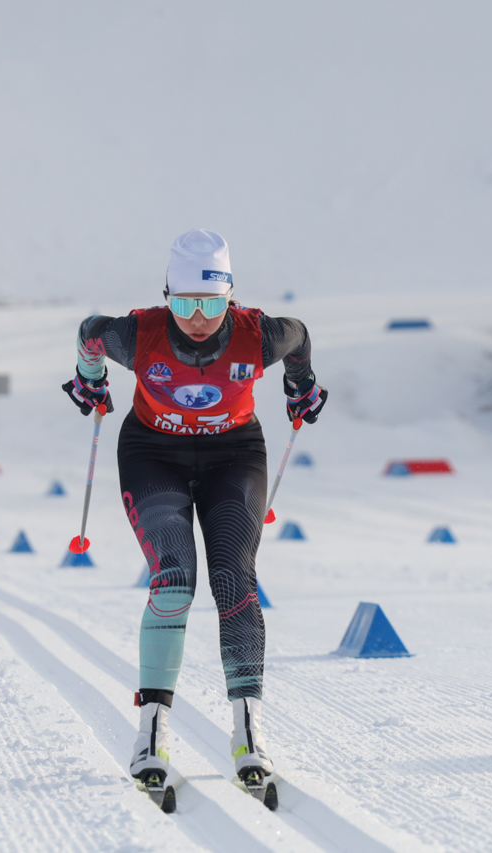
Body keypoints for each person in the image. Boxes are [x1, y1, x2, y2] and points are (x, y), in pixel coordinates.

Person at [62, 229, 327, 794]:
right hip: (152, 453)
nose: (198, 318)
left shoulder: (259, 337)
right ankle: (150, 734)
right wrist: (91, 380)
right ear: (167, 297)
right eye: (184, 303)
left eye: (211, 303)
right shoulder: (139, 335)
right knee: (175, 578)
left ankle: (248, 732)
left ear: (230, 296)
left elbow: (300, 337)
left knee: (234, 577)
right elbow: (90, 334)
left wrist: (301, 386)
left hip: (234, 454)